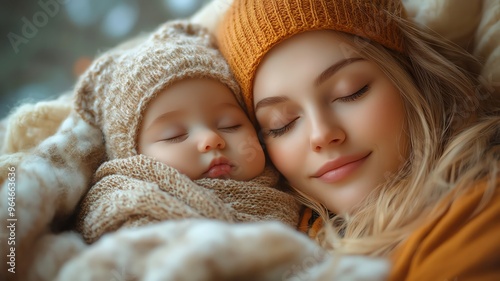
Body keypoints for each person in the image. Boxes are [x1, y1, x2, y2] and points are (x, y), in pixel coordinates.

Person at [216, 0, 500, 279]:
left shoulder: (479, 212)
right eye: (282, 124)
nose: (322, 135)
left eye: (351, 92)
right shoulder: (265, 240)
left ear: (411, 76)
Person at [73, 20, 300, 243]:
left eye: (230, 124)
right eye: (175, 135)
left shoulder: (294, 193)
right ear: (132, 159)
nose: (212, 139)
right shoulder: (126, 209)